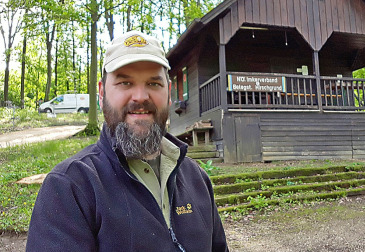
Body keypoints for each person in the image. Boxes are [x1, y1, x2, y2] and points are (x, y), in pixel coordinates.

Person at [26, 31, 228, 252]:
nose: (140, 96)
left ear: (169, 93)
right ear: (102, 94)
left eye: (153, 83)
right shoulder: (70, 187)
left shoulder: (197, 180)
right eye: (125, 83)